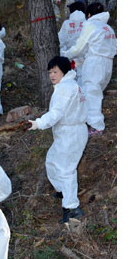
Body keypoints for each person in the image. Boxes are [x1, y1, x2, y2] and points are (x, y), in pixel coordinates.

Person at [27, 56, 87, 224]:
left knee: (66, 169)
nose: (52, 75)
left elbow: (56, 113)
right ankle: (63, 190)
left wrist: (38, 123)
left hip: (71, 133)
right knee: (52, 161)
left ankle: (72, 207)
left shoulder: (65, 89)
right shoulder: (70, 85)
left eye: (55, 71)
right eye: (50, 72)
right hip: (69, 131)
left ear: (64, 71)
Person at [61, 2, 116, 135]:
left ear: (89, 15)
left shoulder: (90, 25)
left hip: (95, 63)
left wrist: (66, 55)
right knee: (95, 92)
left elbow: (79, 47)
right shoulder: (108, 28)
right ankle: (89, 120)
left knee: (92, 94)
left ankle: (96, 126)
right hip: (108, 63)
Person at [58, 0, 86, 83]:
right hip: (85, 58)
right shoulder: (87, 23)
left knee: (70, 81)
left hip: (70, 57)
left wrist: (64, 55)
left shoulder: (66, 23)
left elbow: (60, 41)